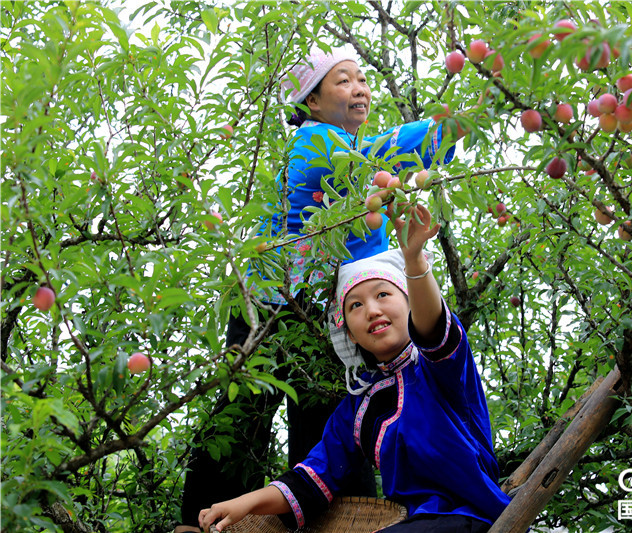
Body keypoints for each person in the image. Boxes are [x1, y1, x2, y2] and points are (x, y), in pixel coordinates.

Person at [175, 46, 458, 532]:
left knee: (327, 403)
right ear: (311, 102)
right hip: (272, 300)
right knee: (247, 403)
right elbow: (370, 157)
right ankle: (197, 518)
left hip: (324, 306)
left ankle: (337, 515)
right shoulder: (314, 143)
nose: (360, 88)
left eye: (361, 79)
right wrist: (442, 131)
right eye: (342, 81)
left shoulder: (358, 171)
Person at [197, 201, 511, 533]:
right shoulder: (357, 409)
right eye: (356, 305)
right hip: (412, 522)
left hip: (471, 516)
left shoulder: (441, 370)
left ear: (410, 304)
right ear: (349, 334)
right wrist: (243, 503)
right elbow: (312, 477)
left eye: (384, 294)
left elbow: (435, 332)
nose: (372, 310)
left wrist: (414, 260)